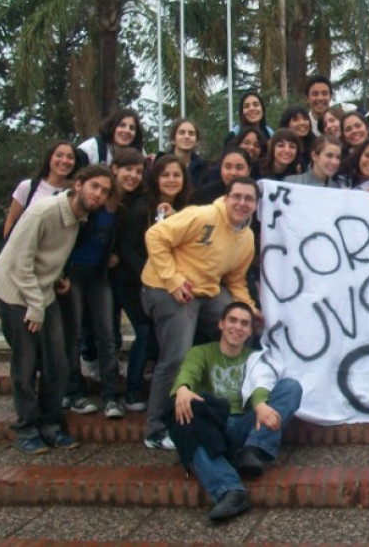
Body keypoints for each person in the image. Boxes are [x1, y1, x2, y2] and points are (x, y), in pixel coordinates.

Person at [0, 165, 112, 453]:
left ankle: (52, 423)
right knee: (26, 364)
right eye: (95, 186)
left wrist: (59, 278)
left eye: (105, 191)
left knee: (58, 362)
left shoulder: (80, 218)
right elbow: (19, 261)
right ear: (78, 185)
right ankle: (26, 428)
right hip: (16, 295)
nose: (99, 195)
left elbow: (49, 256)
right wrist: (35, 305)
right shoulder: (44, 211)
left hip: (42, 293)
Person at [140, 176, 258, 450]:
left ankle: (224, 401)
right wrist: (173, 280)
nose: (242, 203)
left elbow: (236, 280)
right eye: (237, 197)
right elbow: (155, 236)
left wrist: (250, 310)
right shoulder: (201, 215)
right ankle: (156, 428)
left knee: (243, 329)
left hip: (207, 291)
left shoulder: (247, 237)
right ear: (226, 198)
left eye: (249, 199)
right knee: (177, 355)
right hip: (166, 286)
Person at [168, 301, 302, 522]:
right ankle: (230, 491)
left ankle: (254, 451)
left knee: (290, 387)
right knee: (186, 423)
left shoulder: (256, 357)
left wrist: (260, 405)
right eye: (232, 320)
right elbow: (188, 373)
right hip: (214, 429)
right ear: (221, 324)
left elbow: (262, 383)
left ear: (250, 331)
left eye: (244, 323)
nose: (237, 327)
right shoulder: (201, 352)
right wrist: (182, 389)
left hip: (246, 429)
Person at [60, 148, 145, 419]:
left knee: (107, 334)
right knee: (73, 334)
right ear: (115, 168)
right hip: (73, 272)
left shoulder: (126, 205)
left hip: (99, 275)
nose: (132, 175)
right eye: (127, 169)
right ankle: (75, 393)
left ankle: (111, 397)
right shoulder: (90, 201)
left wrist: (113, 255)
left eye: (138, 171)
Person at [114, 154, 191, 412]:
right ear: (156, 178)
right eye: (165, 175)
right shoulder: (141, 208)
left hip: (167, 283)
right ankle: (133, 390)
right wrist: (147, 275)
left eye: (176, 175)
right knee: (145, 331)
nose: (171, 180)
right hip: (134, 281)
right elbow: (128, 248)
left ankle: (152, 385)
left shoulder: (187, 209)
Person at [2, 140, 78, 239]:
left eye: (70, 157)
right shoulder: (28, 187)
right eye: (59, 155)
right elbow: (11, 221)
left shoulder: (74, 193)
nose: (64, 161)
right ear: (49, 158)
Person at [76, 108, 145, 166]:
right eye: (122, 125)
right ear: (112, 127)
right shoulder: (89, 149)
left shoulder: (139, 152)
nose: (127, 130)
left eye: (132, 128)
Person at [165, 117, 209, 189]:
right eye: (182, 133)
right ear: (173, 140)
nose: (187, 136)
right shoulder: (160, 166)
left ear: (197, 142)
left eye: (191, 134)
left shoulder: (204, 169)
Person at [279, 105, 315, 170]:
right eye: (296, 120)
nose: (302, 123)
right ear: (286, 124)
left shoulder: (316, 145)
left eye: (305, 119)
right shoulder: (279, 147)